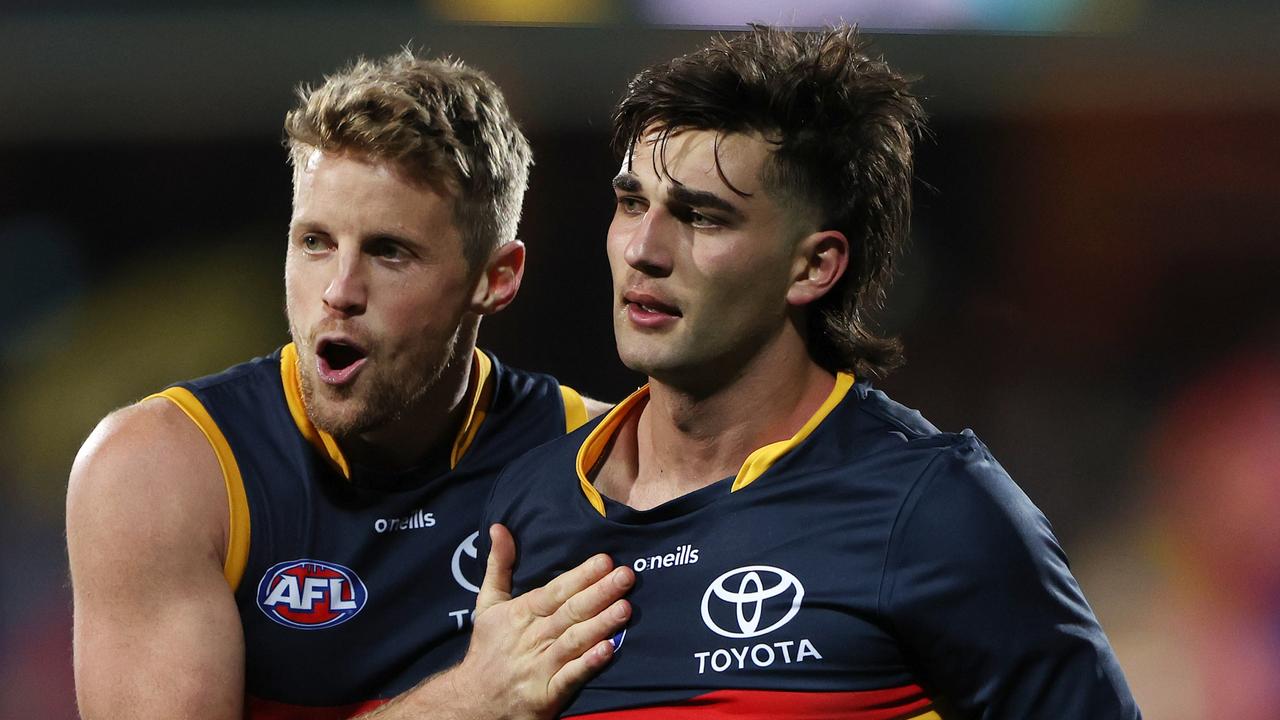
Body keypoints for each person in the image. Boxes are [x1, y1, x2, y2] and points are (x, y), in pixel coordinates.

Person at [481, 24, 1142, 718]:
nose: (644, 249)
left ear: (813, 266)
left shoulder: (933, 511)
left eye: (702, 217)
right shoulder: (528, 503)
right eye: (632, 203)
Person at [66, 51, 633, 719]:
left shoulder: (603, 461)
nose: (338, 291)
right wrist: (470, 701)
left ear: (496, 278)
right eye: (314, 242)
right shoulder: (162, 472)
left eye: (389, 251)